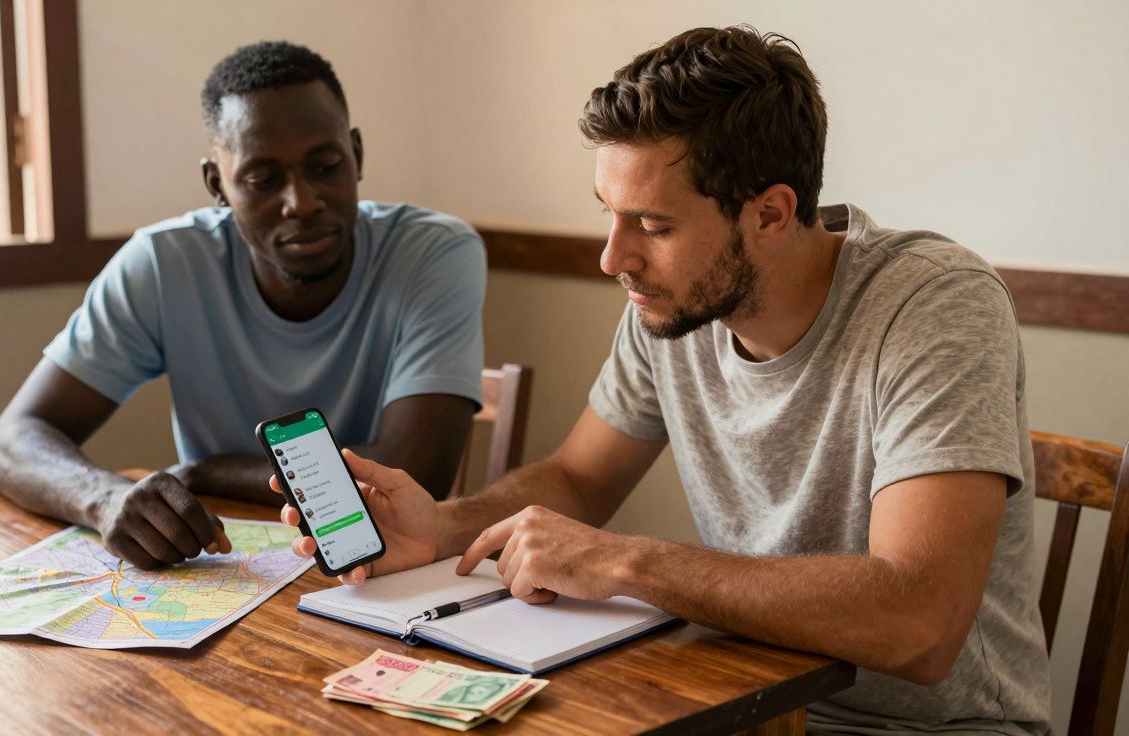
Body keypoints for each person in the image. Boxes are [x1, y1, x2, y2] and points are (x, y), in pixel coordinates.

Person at [280, 26, 1051, 734]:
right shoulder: (677, 306)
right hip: (734, 705)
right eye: (610, 215)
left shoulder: (934, 305)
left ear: (773, 213)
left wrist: (629, 562)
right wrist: (443, 528)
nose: (614, 259)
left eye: (652, 225)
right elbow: (579, 481)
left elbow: (918, 625)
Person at [0, 42, 485, 571]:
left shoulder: (434, 253)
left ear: (356, 154)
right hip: (226, 575)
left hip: (381, 572)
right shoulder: (164, 263)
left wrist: (206, 472)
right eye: (263, 180)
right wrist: (105, 498)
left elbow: (411, 475)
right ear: (217, 184)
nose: (303, 201)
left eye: (326, 164)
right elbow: (12, 440)